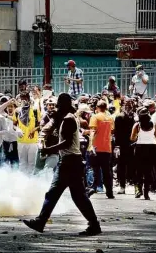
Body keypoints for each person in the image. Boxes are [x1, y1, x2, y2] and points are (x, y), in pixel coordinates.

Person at [23, 93, 102, 236]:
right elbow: (49, 127)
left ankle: (41, 221)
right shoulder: (68, 118)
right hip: (72, 161)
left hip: (69, 162)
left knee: (54, 193)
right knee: (78, 196)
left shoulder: (68, 120)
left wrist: (48, 149)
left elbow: (66, 142)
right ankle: (94, 224)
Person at [130, 107, 156, 200]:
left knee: (139, 170)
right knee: (148, 171)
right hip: (151, 148)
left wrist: (137, 136)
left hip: (140, 148)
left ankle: (138, 190)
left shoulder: (137, 125)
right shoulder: (154, 124)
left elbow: (132, 138)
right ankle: (146, 192)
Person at [88, 100, 115, 199]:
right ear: (106, 108)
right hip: (107, 148)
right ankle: (110, 192)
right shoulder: (110, 118)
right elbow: (111, 131)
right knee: (106, 171)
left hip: (96, 147)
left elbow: (93, 131)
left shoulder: (95, 117)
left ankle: (93, 189)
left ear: (97, 108)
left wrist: (91, 145)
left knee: (95, 170)